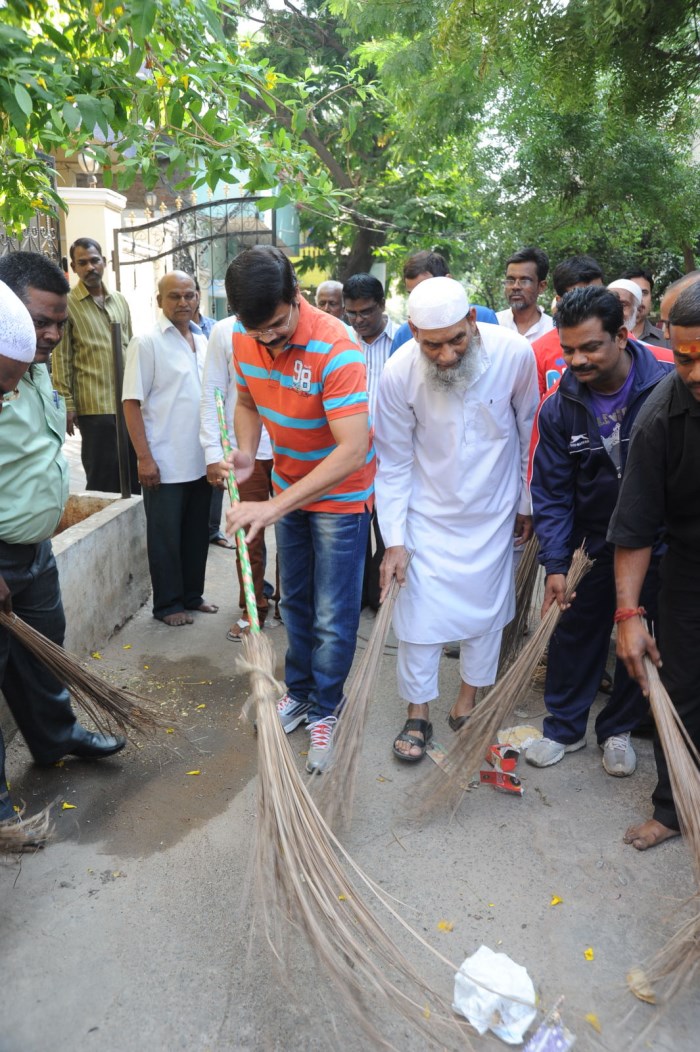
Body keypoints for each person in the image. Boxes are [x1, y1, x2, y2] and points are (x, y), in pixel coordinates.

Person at [374, 277, 538, 761]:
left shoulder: (513, 355)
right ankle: (418, 712)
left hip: (493, 512)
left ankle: (466, 702)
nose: (445, 355)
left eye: (456, 340)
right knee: (419, 618)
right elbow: (394, 462)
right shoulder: (397, 373)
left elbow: (530, 427)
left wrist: (527, 502)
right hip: (426, 515)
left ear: (473, 321)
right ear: (413, 332)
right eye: (432, 345)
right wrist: (395, 540)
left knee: (485, 618)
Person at [224, 246, 374, 773]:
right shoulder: (244, 336)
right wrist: (246, 452)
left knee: (335, 614)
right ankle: (302, 691)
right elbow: (246, 400)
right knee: (298, 604)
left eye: (276, 327)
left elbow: (353, 448)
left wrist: (270, 506)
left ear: (297, 295)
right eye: (257, 331)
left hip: (339, 496)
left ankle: (328, 709)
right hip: (289, 485)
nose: (268, 341)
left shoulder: (337, 346)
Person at [0, 261, 126, 831]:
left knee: (46, 651)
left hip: (33, 552)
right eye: (37, 322)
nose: (49, 335)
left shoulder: (35, 370)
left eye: (57, 324)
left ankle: (55, 738)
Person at [526, 287, 673, 774]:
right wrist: (555, 562)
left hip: (656, 543)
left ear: (622, 336)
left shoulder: (667, 387)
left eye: (590, 347)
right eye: (568, 349)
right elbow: (550, 491)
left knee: (641, 636)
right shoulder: (559, 405)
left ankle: (618, 730)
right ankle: (564, 728)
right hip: (589, 544)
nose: (577, 359)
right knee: (574, 633)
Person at [609, 277, 700, 849]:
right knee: (682, 689)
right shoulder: (659, 417)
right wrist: (629, 617)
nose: (694, 374)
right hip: (689, 572)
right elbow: (636, 529)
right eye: (685, 359)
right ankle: (674, 808)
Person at [122, 272, 217, 627]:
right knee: (165, 538)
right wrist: (144, 458)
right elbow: (131, 403)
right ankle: (167, 605)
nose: (183, 303)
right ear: (159, 300)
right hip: (163, 460)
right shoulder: (146, 342)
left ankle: (192, 595)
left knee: (197, 534)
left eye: (189, 296)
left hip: (200, 460)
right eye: (174, 296)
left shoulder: (203, 340)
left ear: (198, 299)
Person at [200, 313, 277, 638]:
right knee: (249, 537)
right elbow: (212, 392)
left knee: (297, 535)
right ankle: (253, 606)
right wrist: (213, 453)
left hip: (293, 450)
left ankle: (291, 603)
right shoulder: (225, 330)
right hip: (246, 454)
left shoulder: (290, 322)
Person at [52, 238, 139, 493]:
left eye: (94, 260)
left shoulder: (120, 300)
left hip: (128, 403)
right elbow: (61, 357)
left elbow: (131, 347)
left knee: (133, 475)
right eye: (83, 263)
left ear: (104, 262)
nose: (90, 267)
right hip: (94, 407)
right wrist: (67, 405)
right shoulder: (67, 305)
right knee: (103, 478)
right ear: (74, 267)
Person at [343, 273, 397, 610]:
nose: (359, 320)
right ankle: (362, 595)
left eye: (366, 312)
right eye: (352, 313)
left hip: (393, 452)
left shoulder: (404, 340)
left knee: (389, 527)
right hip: (351, 454)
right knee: (355, 528)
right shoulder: (341, 342)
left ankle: (385, 594)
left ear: (382, 305)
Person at [390, 251, 497, 355]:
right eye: (412, 295)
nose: (419, 301)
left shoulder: (484, 318)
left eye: (426, 291)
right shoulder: (403, 335)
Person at [532, 255, 605, 395]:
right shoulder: (538, 351)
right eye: (579, 298)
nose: (591, 305)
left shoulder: (622, 340)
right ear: (559, 301)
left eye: (598, 295)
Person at [496, 246, 554, 342]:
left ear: (541, 286)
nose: (515, 286)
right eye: (510, 280)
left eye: (524, 280)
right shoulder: (494, 324)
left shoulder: (554, 331)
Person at [621, 268, 669, 347]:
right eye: (633, 292)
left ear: (651, 298)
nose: (639, 298)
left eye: (644, 293)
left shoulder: (667, 342)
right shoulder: (607, 338)